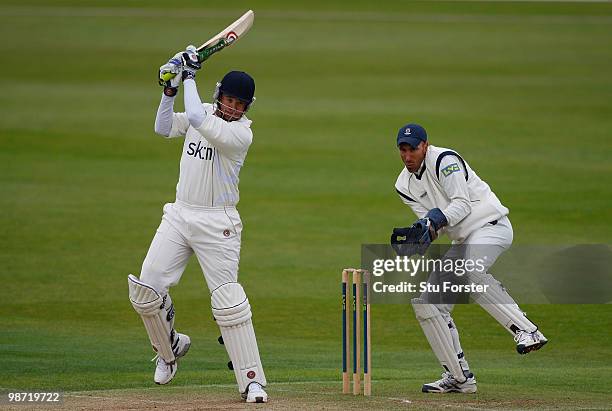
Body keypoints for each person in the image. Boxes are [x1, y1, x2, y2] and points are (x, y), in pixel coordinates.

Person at [127, 46, 268, 403]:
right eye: (229, 100)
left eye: (240, 104)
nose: (233, 107)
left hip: (217, 222)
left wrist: (188, 74)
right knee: (147, 290)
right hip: (180, 213)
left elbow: (197, 117)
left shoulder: (241, 135)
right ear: (219, 95)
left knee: (228, 303)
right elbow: (162, 127)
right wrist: (169, 88)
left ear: (247, 108)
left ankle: (252, 381)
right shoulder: (202, 110)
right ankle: (169, 349)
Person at [391, 123, 548, 394]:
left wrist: (434, 221)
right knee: (428, 303)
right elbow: (433, 223)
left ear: (425, 146)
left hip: (491, 226)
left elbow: (461, 204)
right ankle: (459, 377)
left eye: (413, 148)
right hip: (464, 240)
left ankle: (527, 330)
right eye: (402, 150)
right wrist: (423, 235)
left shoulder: (445, 160)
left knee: (468, 269)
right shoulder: (403, 185)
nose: (407, 155)